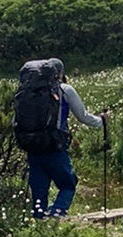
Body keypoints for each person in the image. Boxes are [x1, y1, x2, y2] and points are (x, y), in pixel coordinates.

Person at [11, 57, 107, 218]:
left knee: (39, 190)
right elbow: (83, 116)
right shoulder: (64, 90)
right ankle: (56, 214)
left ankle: (39, 223)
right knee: (68, 184)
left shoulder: (27, 92)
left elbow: (14, 121)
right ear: (60, 73)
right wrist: (101, 121)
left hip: (32, 147)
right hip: (54, 146)